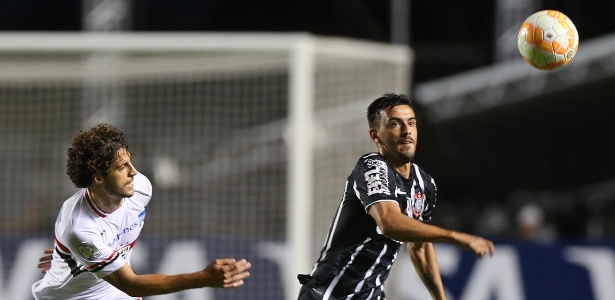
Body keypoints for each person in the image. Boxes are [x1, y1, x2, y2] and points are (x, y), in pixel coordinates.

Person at [297, 93, 495, 300]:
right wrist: (456, 237)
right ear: (376, 136)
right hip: (331, 294)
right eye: (395, 124)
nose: (406, 130)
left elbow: (420, 246)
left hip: (371, 294)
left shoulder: (424, 183)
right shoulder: (372, 167)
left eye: (411, 123)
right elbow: (389, 222)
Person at [32, 123, 251, 299]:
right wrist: (203, 278)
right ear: (98, 177)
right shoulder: (80, 227)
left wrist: (76, 254)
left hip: (111, 290)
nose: (133, 172)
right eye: (121, 167)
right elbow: (133, 285)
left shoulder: (140, 187)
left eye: (130, 162)